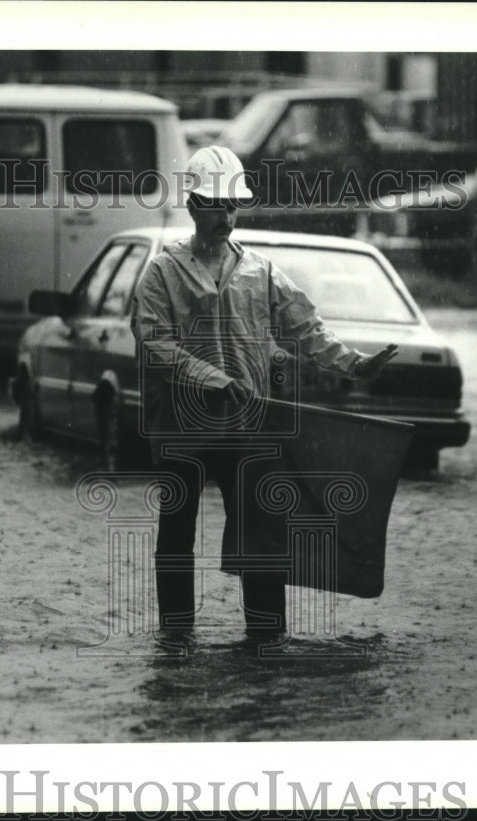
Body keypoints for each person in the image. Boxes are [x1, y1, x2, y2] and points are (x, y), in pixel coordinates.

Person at [130, 145, 398, 643]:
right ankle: (176, 638)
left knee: (261, 532)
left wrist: (358, 365)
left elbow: (307, 329)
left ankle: (267, 637)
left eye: (232, 205)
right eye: (214, 204)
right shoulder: (162, 274)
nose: (225, 215)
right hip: (182, 430)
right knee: (176, 534)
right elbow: (152, 345)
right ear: (192, 206)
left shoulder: (260, 271)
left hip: (243, 425)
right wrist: (212, 379)